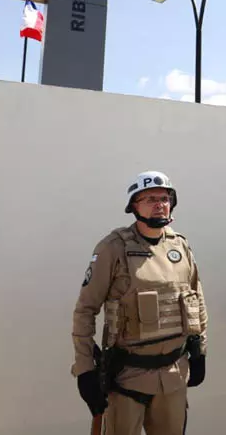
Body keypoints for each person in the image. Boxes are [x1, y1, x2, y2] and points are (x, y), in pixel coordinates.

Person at [71, 171, 207, 435]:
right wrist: (85, 368)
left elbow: (197, 299)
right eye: (151, 198)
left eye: (165, 198)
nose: (160, 204)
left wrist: (200, 350)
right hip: (127, 378)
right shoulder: (113, 247)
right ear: (134, 205)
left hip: (173, 374)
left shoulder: (180, 246)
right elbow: (85, 310)